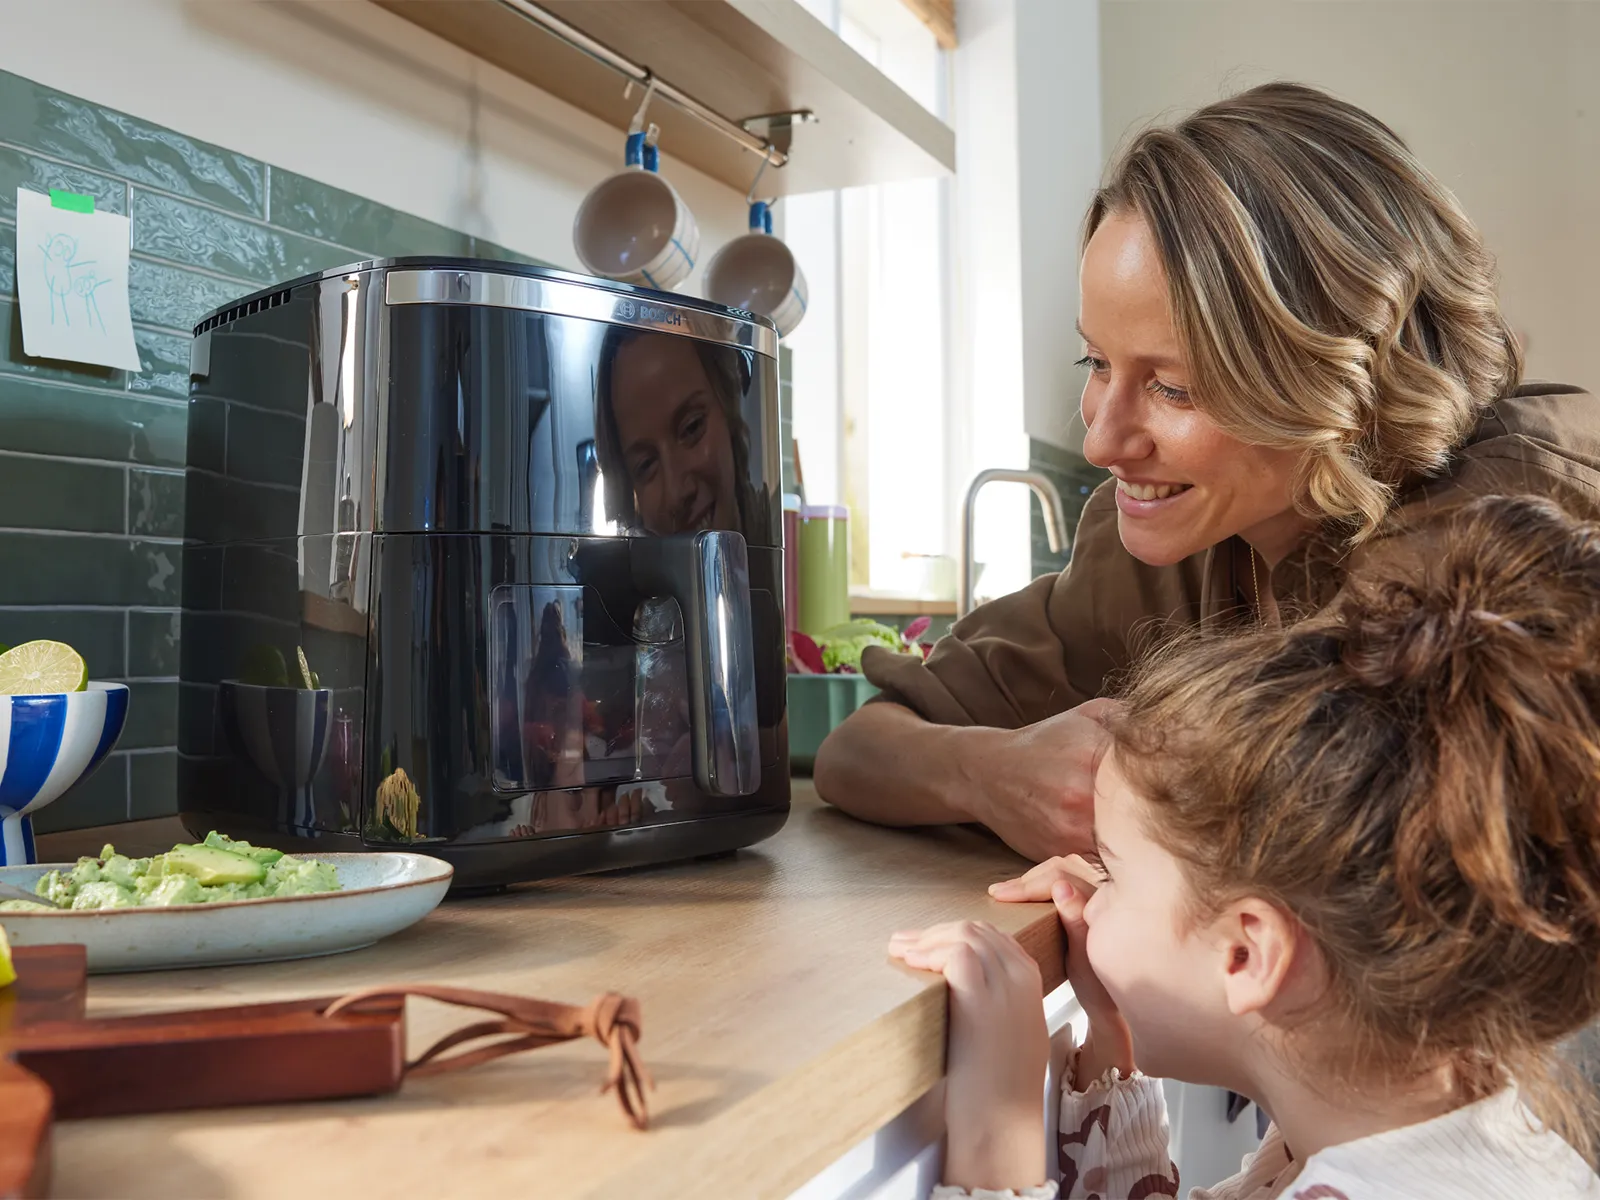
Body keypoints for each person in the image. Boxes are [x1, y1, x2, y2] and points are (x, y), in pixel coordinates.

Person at [815, 81, 1600, 863]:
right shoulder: (1175, 537)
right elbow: (859, 750)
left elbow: (1359, 862)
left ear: (1338, 376)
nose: (1102, 442)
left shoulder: (1513, 524)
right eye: (1096, 361)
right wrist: (989, 774)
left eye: (1174, 387)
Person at [889, 494, 1600, 1199]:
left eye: (1119, 873)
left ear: (1246, 954)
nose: (1093, 898)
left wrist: (998, 1135)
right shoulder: (1423, 1133)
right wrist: (1110, 1035)